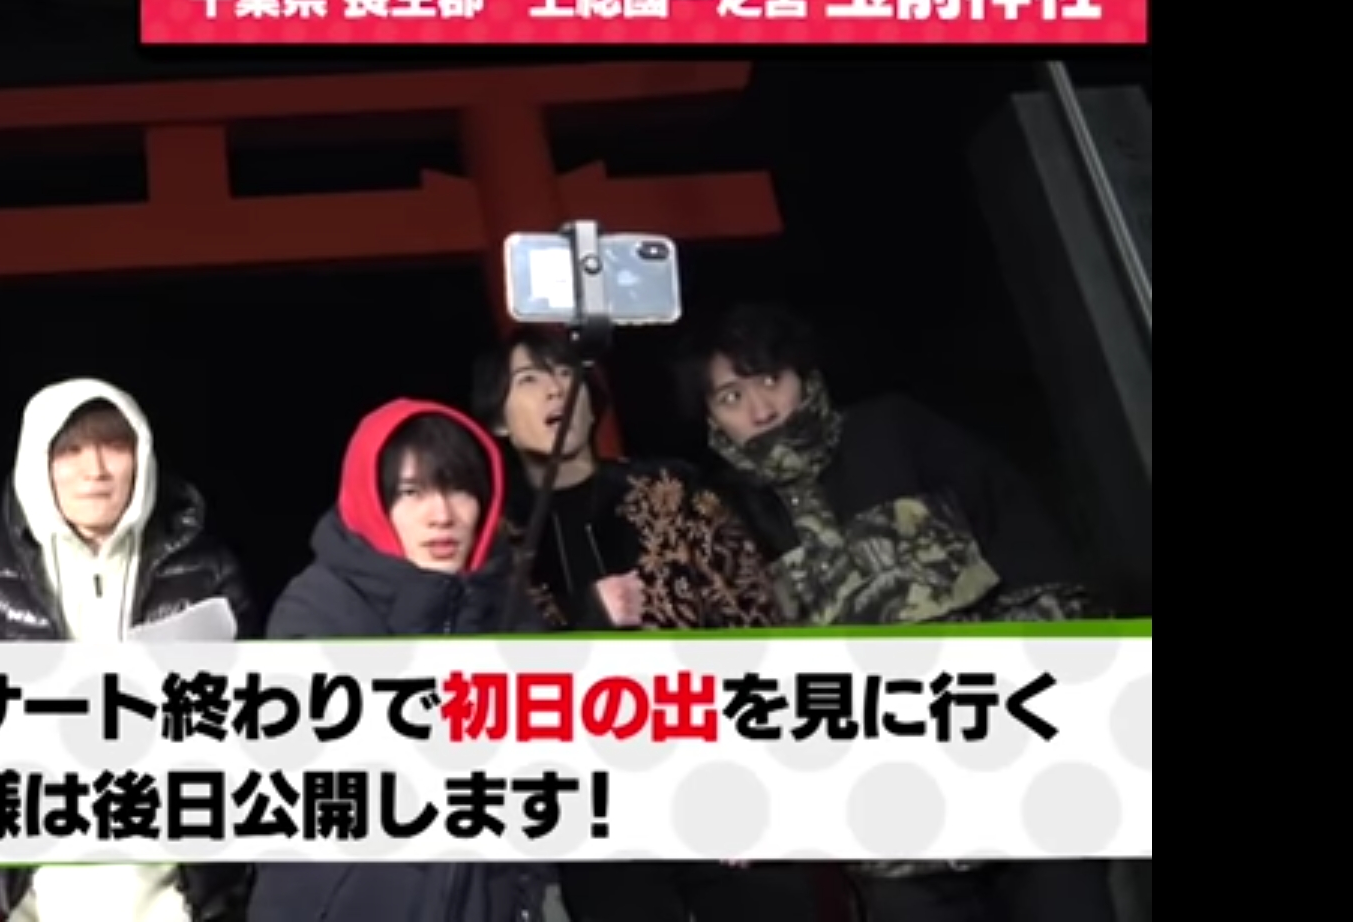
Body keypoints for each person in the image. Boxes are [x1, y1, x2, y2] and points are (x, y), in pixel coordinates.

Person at [674, 303, 1115, 922]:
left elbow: (1032, 555)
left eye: (771, 378)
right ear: (709, 416)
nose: (761, 408)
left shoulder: (896, 432)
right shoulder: (721, 517)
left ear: (803, 372)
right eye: (731, 396)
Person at [472, 329, 826, 922]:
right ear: (497, 420)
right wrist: (586, 619)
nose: (556, 389)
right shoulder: (495, 546)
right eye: (529, 380)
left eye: (567, 374)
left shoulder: (671, 489)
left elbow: (751, 625)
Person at [0, 378, 255, 922]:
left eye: (114, 445)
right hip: (36, 896)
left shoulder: (209, 571)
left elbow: (252, 732)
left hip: (173, 895)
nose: (95, 470)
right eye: (70, 451)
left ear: (142, 456)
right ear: (36, 462)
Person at [251, 398, 543, 922]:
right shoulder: (316, 606)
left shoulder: (511, 607)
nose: (442, 515)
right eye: (412, 492)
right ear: (373, 501)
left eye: (459, 489)